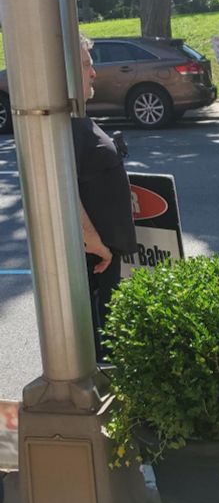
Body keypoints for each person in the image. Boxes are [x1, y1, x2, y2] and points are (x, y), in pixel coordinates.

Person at [73, 35, 137, 360]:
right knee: (99, 350)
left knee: (108, 341)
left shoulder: (76, 117)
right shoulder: (64, 125)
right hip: (94, 259)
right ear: (67, 71)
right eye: (86, 64)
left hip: (102, 257)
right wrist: (94, 242)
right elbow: (65, 191)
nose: (94, 72)